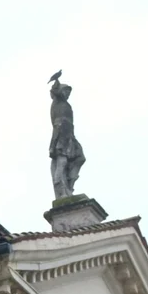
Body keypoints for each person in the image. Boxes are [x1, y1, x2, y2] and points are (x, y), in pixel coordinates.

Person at [49, 72, 86, 201]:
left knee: (80, 158)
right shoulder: (57, 102)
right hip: (60, 133)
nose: (67, 94)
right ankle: (61, 191)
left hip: (69, 134)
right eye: (65, 91)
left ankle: (69, 185)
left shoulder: (65, 104)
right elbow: (55, 91)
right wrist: (56, 82)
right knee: (62, 162)